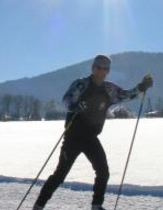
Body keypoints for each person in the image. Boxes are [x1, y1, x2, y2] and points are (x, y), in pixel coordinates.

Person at [33, 55, 153, 210]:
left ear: (108, 71)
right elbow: (66, 100)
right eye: (99, 67)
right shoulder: (81, 84)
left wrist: (141, 87)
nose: (101, 70)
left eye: (105, 68)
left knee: (103, 171)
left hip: (90, 138)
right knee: (60, 175)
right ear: (93, 67)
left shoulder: (109, 89)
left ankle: (96, 206)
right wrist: (75, 105)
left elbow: (125, 95)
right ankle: (38, 206)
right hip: (73, 137)